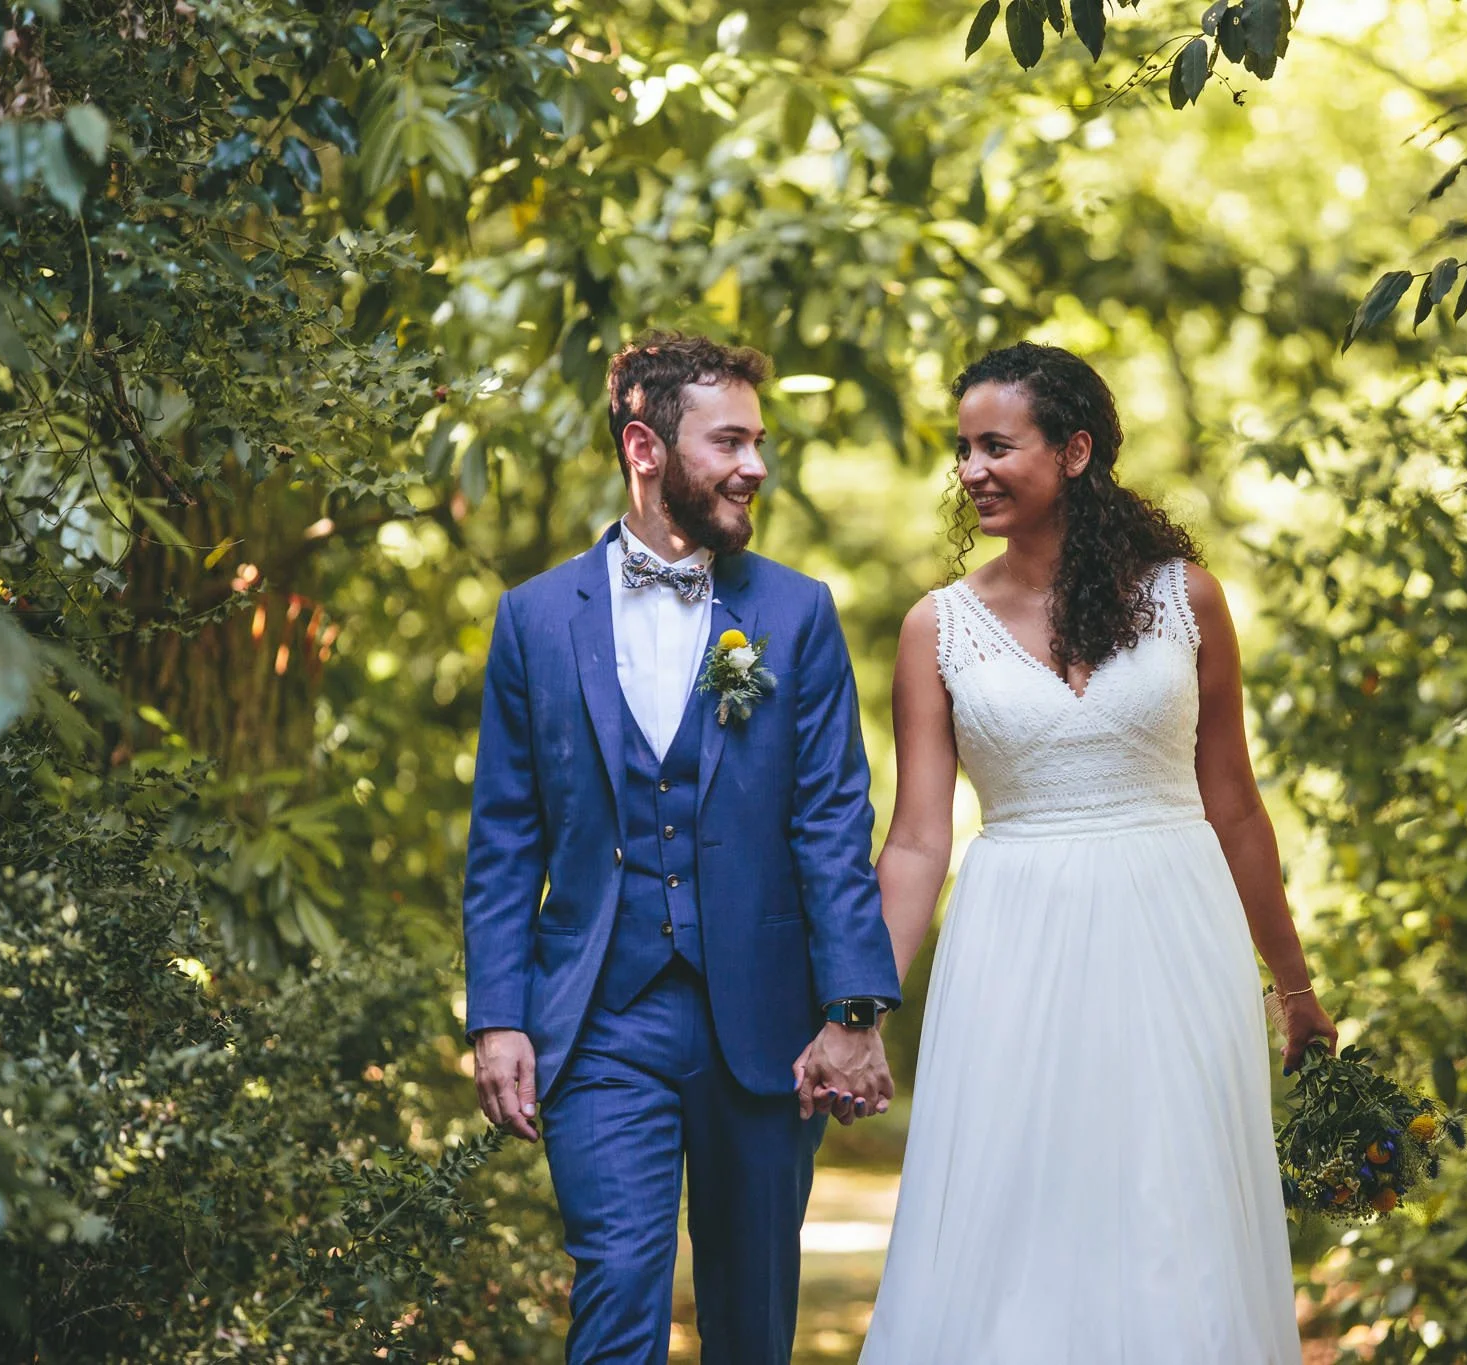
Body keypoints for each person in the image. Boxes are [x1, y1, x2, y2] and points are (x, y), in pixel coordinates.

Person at [860, 342, 1337, 1362]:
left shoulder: (1185, 598)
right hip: (1013, 937)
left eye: (997, 446)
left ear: (1073, 451)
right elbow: (914, 841)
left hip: (1174, 925)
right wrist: (856, 1008)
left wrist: (1292, 987)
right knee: (1020, 1206)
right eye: (962, 450)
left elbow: (1236, 808)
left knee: (1174, 1202)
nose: (972, 470)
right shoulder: (933, 629)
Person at [459, 331, 901, 1365]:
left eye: (760, 441)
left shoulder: (795, 615)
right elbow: (505, 835)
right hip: (601, 1016)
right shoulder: (532, 621)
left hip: (765, 1027)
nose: (756, 465)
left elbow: (833, 819)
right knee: (616, 1279)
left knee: (751, 1317)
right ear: (644, 447)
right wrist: (497, 1017)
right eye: (731, 441)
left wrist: (849, 1012)